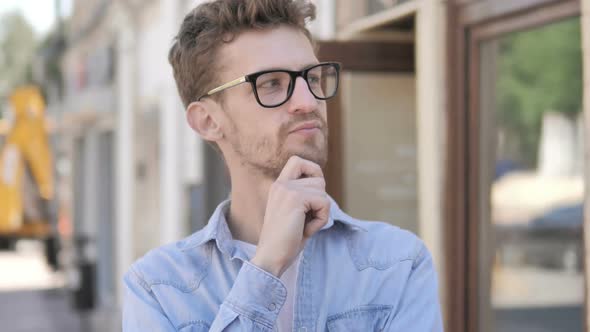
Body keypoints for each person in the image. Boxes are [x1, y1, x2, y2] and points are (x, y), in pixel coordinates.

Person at [123, 0, 443, 331]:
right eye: (271, 84)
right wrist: (266, 268)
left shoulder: (397, 265)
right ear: (207, 121)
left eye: (313, 78)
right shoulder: (158, 288)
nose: (308, 102)